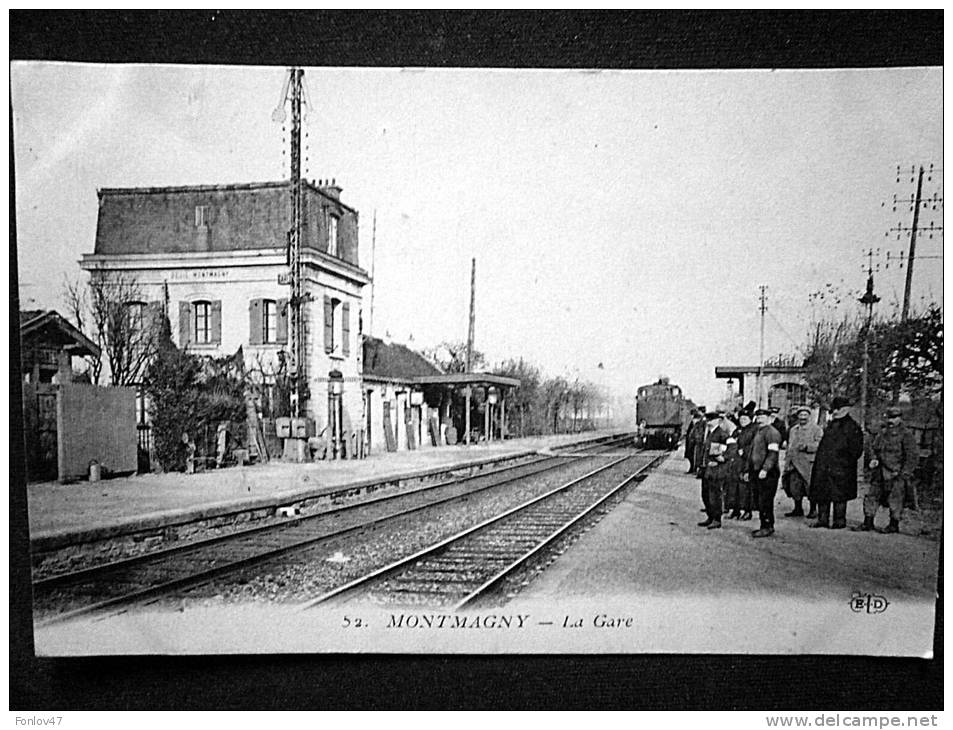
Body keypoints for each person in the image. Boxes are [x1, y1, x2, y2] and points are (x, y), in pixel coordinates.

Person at [854, 406, 918, 534]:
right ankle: (868, 522)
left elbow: (912, 456)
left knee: (896, 499)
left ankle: (893, 524)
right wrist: (873, 458)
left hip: (896, 472)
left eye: (894, 418)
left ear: (900, 418)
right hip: (879, 471)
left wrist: (905, 473)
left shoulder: (906, 435)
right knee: (872, 496)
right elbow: (873, 448)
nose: (891, 421)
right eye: (889, 418)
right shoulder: (882, 433)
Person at [810, 396, 864, 530]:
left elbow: (856, 450)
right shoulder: (831, 425)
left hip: (842, 467)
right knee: (822, 492)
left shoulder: (852, 427)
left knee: (840, 495)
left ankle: (839, 521)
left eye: (838, 409)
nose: (835, 412)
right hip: (824, 466)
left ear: (846, 409)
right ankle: (822, 520)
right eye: (834, 409)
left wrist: (844, 461)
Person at [747, 408, 783, 537]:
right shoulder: (758, 431)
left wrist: (765, 469)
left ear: (769, 418)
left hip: (768, 473)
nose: (759, 419)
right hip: (757, 470)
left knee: (765, 500)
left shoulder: (772, 433)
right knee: (760, 499)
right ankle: (765, 525)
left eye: (762, 417)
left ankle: (767, 526)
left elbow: (773, 453)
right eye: (758, 417)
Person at [782, 406, 823, 518]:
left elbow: (820, 445)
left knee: (810, 487)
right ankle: (798, 508)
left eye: (805, 415)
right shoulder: (793, 429)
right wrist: (787, 460)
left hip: (808, 464)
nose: (803, 417)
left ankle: (813, 509)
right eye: (801, 415)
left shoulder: (816, 429)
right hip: (794, 463)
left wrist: (807, 447)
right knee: (795, 487)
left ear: (809, 416)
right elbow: (790, 446)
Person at [698, 411, 731, 530]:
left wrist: (723, 458)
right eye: (708, 420)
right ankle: (710, 517)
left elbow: (731, 448)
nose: (709, 422)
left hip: (716, 470)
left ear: (718, 421)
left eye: (712, 420)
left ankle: (717, 519)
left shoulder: (722, 434)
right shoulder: (709, 433)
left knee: (714, 495)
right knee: (705, 494)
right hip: (707, 470)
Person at [729, 408, 757, 520]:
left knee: (746, 488)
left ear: (750, 419)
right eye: (741, 418)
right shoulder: (738, 430)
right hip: (736, 462)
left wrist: (744, 451)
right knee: (734, 487)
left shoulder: (754, 430)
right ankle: (735, 510)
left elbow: (754, 445)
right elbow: (731, 441)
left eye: (745, 418)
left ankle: (747, 511)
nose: (743, 420)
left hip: (747, 462)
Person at [691, 407, 709, 479]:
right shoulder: (701, 419)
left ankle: (699, 471)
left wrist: (704, 440)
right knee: (698, 456)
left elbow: (704, 431)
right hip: (699, 441)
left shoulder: (703, 420)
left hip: (701, 441)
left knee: (700, 456)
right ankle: (697, 470)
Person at [684, 409, 704, 474]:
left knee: (695, 457)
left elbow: (698, 433)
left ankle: (694, 469)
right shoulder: (694, 423)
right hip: (691, 442)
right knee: (691, 456)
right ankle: (692, 468)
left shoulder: (699, 423)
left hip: (695, 442)